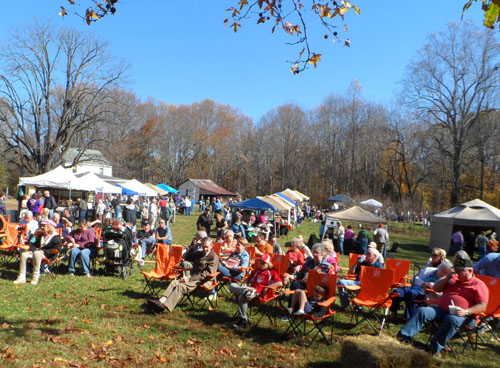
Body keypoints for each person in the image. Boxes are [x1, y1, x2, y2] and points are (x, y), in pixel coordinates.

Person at [396, 257, 489, 355]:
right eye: (455, 270)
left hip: (464, 315)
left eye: (459, 271)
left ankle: (434, 348)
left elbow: (482, 306)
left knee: (452, 319)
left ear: (470, 271)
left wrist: (466, 311)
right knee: (422, 311)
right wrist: (446, 278)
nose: (456, 273)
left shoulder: (479, 285)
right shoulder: (452, 280)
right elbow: (436, 288)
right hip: (442, 309)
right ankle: (403, 337)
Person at [146, 237, 219, 313]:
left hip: (203, 281)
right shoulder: (200, 253)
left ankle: (164, 307)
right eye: (203, 246)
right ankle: (161, 301)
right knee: (174, 282)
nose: (204, 249)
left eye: (206, 247)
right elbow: (185, 257)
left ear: (211, 246)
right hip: (194, 278)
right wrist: (193, 247)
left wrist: (189, 279)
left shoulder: (213, 257)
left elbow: (206, 274)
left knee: (180, 287)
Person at [229, 254, 283, 328]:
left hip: (258, 293)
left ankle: (243, 320)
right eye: (260, 262)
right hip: (249, 290)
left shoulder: (272, 272)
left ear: (268, 264)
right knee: (232, 285)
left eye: (263, 263)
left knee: (243, 295)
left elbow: (280, 283)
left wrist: (267, 287)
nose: (261, 264)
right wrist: (245, 283)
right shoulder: (256, 271)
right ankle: (245, 290)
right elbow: (248, 279)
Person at [14, 219, 62, 285]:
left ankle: (35, 277)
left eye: (43, 226)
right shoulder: (41, 235)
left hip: (48, 255)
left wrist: (44, 251)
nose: (41, 228)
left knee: (37, 253)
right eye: (41, 226)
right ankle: (21, 276)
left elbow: (57, 249)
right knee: (24, 254)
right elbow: (34, 244)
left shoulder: (56, 237)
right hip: (38, 254)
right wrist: (31, 250)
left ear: (49, 227)